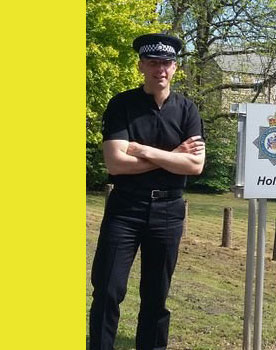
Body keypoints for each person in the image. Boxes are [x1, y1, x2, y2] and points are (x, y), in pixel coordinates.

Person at [89, 33, 205, 350]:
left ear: (175, 67)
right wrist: (172, 156)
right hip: (125, 210)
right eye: (153, 63)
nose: (160, 70)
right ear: (141, 66)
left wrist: (143, 151)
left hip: (168, 213)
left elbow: (195, 166)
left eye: (166, 63)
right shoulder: (122, 105)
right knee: (108, 290)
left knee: (156, 295)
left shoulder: (187, 110)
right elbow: (115, 163)